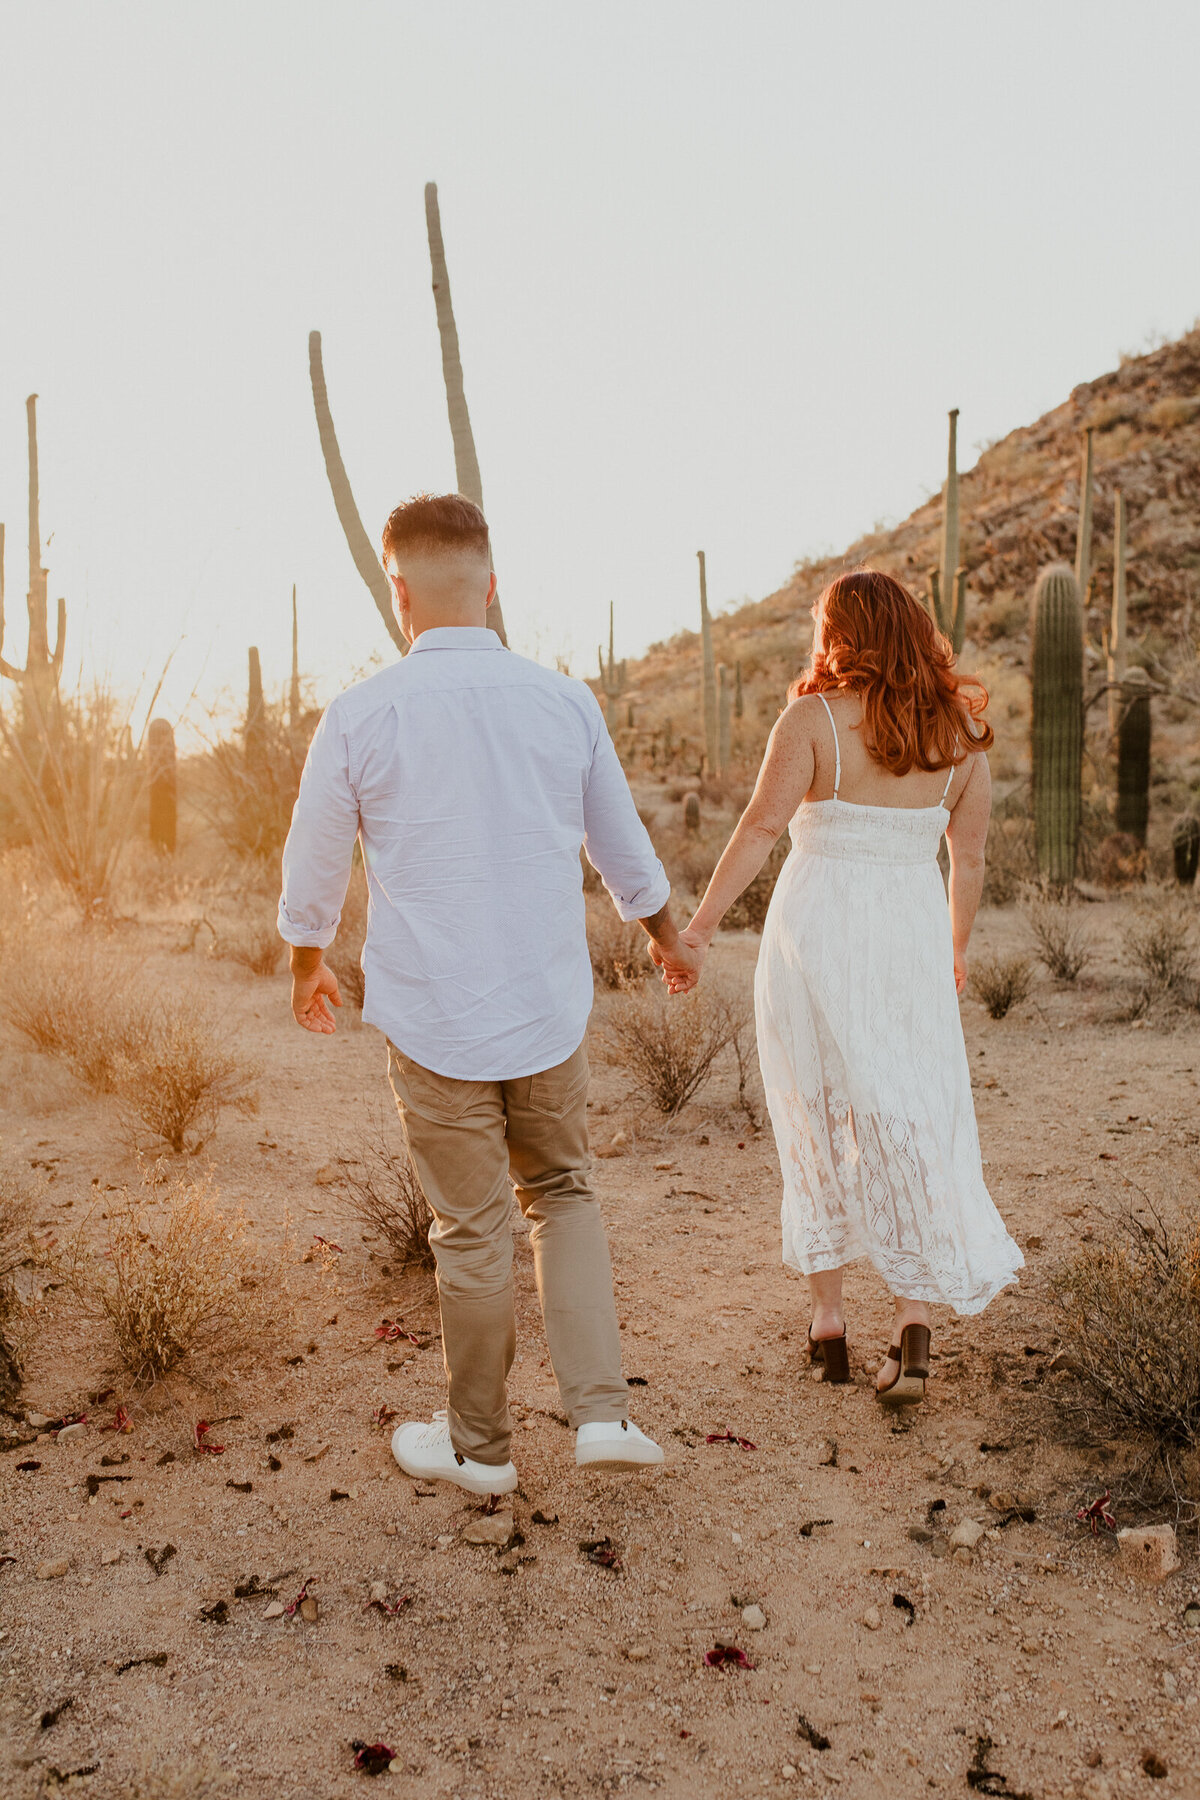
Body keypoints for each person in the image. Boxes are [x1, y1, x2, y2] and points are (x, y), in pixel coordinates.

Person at [279, 493, 696, 1493]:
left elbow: (316, 857)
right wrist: (667, 936)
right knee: (564, 1195)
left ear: (399, 591)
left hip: (432, 1016)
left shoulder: (361, 713)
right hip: (543, 1010)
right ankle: (601, 1414)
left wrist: (308, 959)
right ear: (492, 584)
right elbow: (619, 843)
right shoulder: (565, 703)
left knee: (469, 1231)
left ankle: (479, 1450)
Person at [654, 569, 1022, 1406]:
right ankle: (914, 1324)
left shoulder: (812, 720)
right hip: (908, 932)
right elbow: (970, 858)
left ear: (840, 634)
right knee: (907, 1113)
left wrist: (701, 931)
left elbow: (758, 830)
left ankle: (828, 1325)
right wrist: (954, 949)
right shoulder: (963, 733)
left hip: (815, 931)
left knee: (813, 1107)